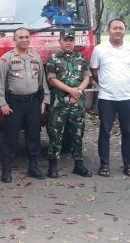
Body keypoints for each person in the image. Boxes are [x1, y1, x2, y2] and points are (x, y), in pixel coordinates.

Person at [0, 27, 50, 183]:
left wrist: (45, 100)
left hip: (33, 103)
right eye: (20, 37)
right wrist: (2, 104)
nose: (24, 40)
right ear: (14, 39)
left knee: (34, 136)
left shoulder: (36, 58)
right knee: (10, 138)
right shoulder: (6, 59)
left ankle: (34, 167)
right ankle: (6, 169)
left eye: (27, 37)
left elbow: (42, 81)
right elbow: (0, 84)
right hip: (14, 104)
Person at [90, 19, 130, 177]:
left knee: (128, 132)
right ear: (108, 30)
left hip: (127, 97)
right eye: (115, 28)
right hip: (106, 97)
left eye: (121, 28)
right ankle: (104, 165)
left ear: (125, 30)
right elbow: (94, 70)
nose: (118, 31)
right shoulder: (99, 49)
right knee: (105, 131)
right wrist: (104, 83)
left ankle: (128, 165)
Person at [45, 29, 92, 178]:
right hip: (59, 104)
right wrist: (70, 90)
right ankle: (52, 166)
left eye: (71, 40)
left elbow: (87, 78)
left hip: (77, 103)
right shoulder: (53, 59)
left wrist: (77, 91)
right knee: (55, 134)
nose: (68, 43)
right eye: (65, 40)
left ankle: (79, 165)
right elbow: (51, 79)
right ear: (60, 42)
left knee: (77, 134)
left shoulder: (81, 58)